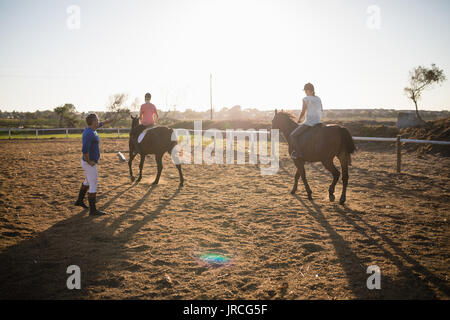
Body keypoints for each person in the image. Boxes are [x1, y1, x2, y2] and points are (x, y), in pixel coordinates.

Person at [74, 113, 114, 216]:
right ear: (93, 122)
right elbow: (85, 150)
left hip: (88, 163)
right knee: (93, 184)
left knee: (87, 182)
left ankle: (79, 201)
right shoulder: (89, 134)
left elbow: (100, 124)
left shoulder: (92, 129)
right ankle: (93, 210)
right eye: (97, 120)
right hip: (89, 163)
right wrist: (89, 162)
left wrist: (108, 121)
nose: (98, 121)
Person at [290, 83, 323, 159]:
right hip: (318, 121)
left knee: (293, 135)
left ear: (308, 90)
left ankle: (298, 153)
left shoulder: (306, 99)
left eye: (305, 90)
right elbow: (321, 109)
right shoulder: (318, 98)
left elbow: (303, 111)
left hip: (309, 122)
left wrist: (299, 120)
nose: (305, 92)